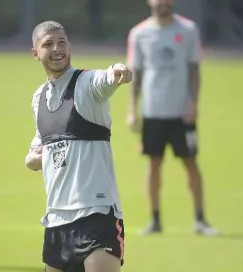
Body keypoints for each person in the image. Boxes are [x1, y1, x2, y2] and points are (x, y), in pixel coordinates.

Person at [25, 21, 132, 272]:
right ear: (35, 53)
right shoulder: (39, 97)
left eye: (61, 42)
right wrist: (31, 159)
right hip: (56, 220)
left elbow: (103, 80)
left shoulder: (86, 84)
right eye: (48, 44)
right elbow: (38, 145)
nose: (56, 49)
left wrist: (117, 70)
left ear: (70, 46)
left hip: (96, 214)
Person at [126, 0, 219, 235]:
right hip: (153, 111)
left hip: (181, 113)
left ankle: (200, 220)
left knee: (191, 163)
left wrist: (193, 102)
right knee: (154, 164)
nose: (162, 2)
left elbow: (194, 69)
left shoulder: (188, 30)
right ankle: (155, 220)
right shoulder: (139, 33)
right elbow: (135, 73)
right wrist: (131, 110)